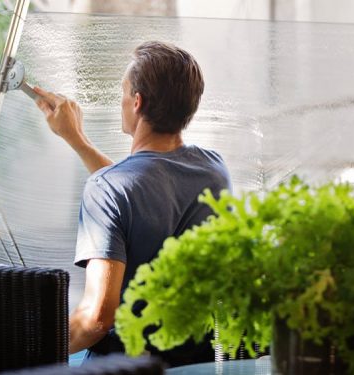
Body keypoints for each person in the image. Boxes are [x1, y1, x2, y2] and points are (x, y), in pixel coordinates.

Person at [33, 41, 232, 367]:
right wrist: (77, 140)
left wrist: (25, 345)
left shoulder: (108, 189)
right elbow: (144, 188)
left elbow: (96, 319)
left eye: (123, 92)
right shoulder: (214, 170)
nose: (121, 100)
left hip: (126, 367)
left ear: (137, 103)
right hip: (198, 362)